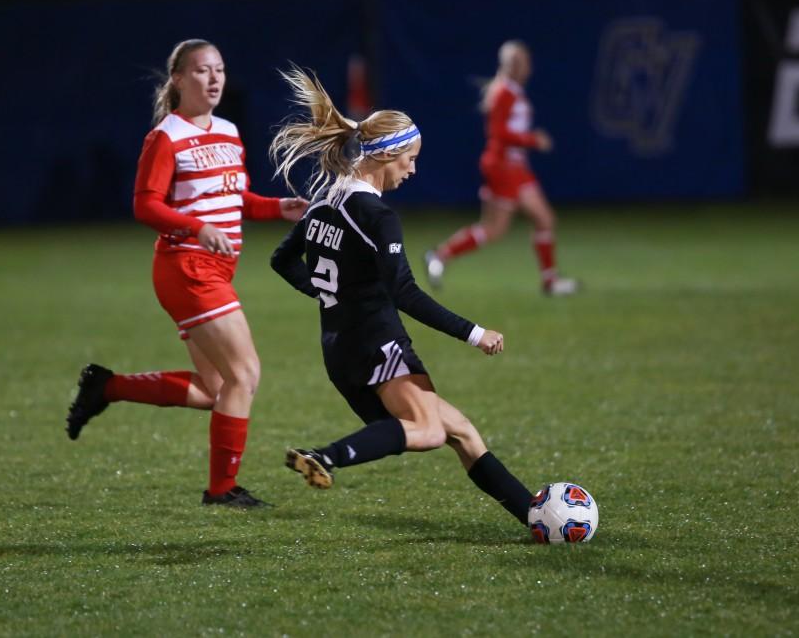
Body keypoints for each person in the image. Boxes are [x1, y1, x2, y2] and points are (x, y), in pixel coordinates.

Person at [269, 66, 534, 528]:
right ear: (384, 154)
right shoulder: (376, 215)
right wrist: (475, 334)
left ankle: (533, 516)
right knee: (431, 431)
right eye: (409, 158)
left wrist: (328, 293)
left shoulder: (325, 201)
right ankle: (324, 456)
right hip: (377, 343)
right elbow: (405, 292)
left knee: (462, 432)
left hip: (338, 349)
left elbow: (282, 260)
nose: (413, 169)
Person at [65, 39, 309, 509]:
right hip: (186, 267)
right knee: (245, 374)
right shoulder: (167, 136)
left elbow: (236, 199)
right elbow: (145, 205)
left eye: (219, 69)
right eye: (202, 70)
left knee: (214, 390)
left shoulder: (230, 131)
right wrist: (196, 227)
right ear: (177, 79)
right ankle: (221, 490)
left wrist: (278, 207)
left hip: (215, 268)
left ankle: (107, 386)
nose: (214, 78)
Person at [425, 40, 578, 296]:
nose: (529, 67)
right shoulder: (504, 92)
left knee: (540, 220)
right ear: (514, 65)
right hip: (503, 167)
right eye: (524, 62)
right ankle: (440, 255)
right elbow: (497, 133)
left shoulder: (511, 90)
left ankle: (550, 281)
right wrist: (533, 140)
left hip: (515, 166)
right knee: (497, 229)